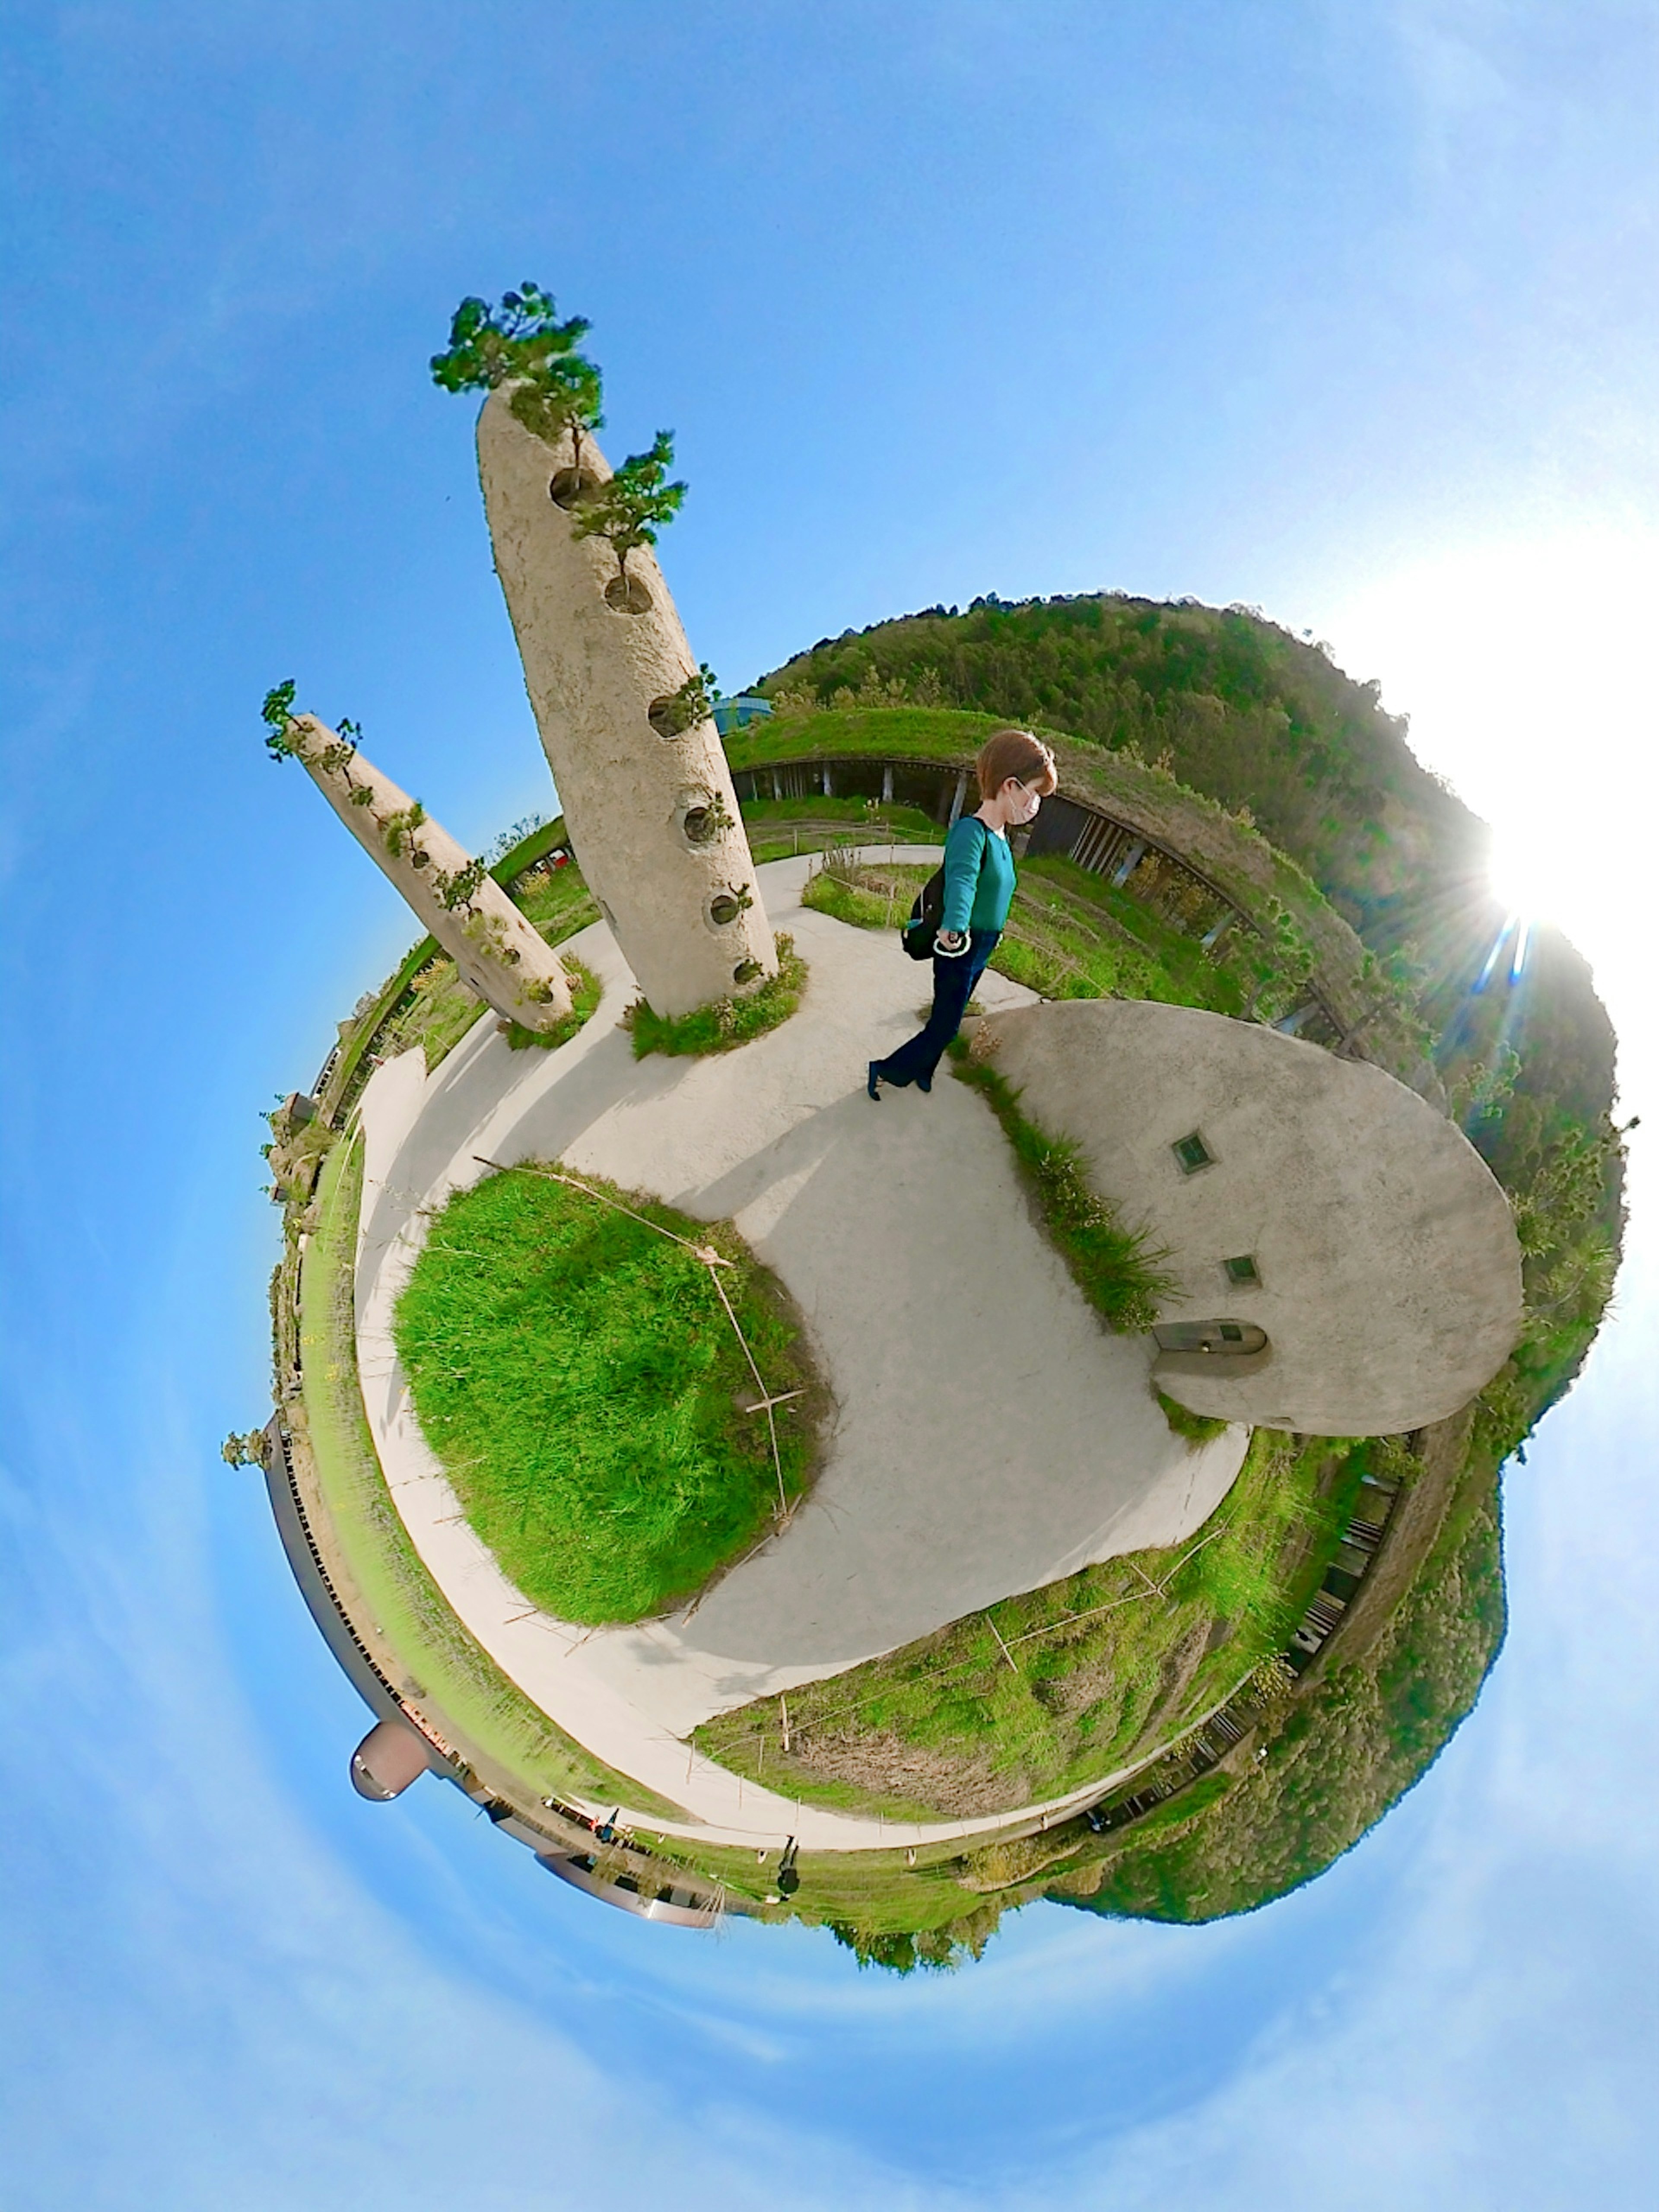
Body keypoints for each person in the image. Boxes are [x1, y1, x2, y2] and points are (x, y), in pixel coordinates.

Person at [867, 727, 1058, 1098]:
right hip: (960, 942)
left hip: (983, 944)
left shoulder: (1001, 837)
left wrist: (996, 932)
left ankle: (924, 1071)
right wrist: (953, 929)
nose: (1036, 803)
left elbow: (996, 893)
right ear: (1010, 785)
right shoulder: (973, 832)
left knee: (947, 1019)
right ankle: (886, 1070)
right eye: (1034, 792)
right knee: (947, 1026)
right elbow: (963, 881)